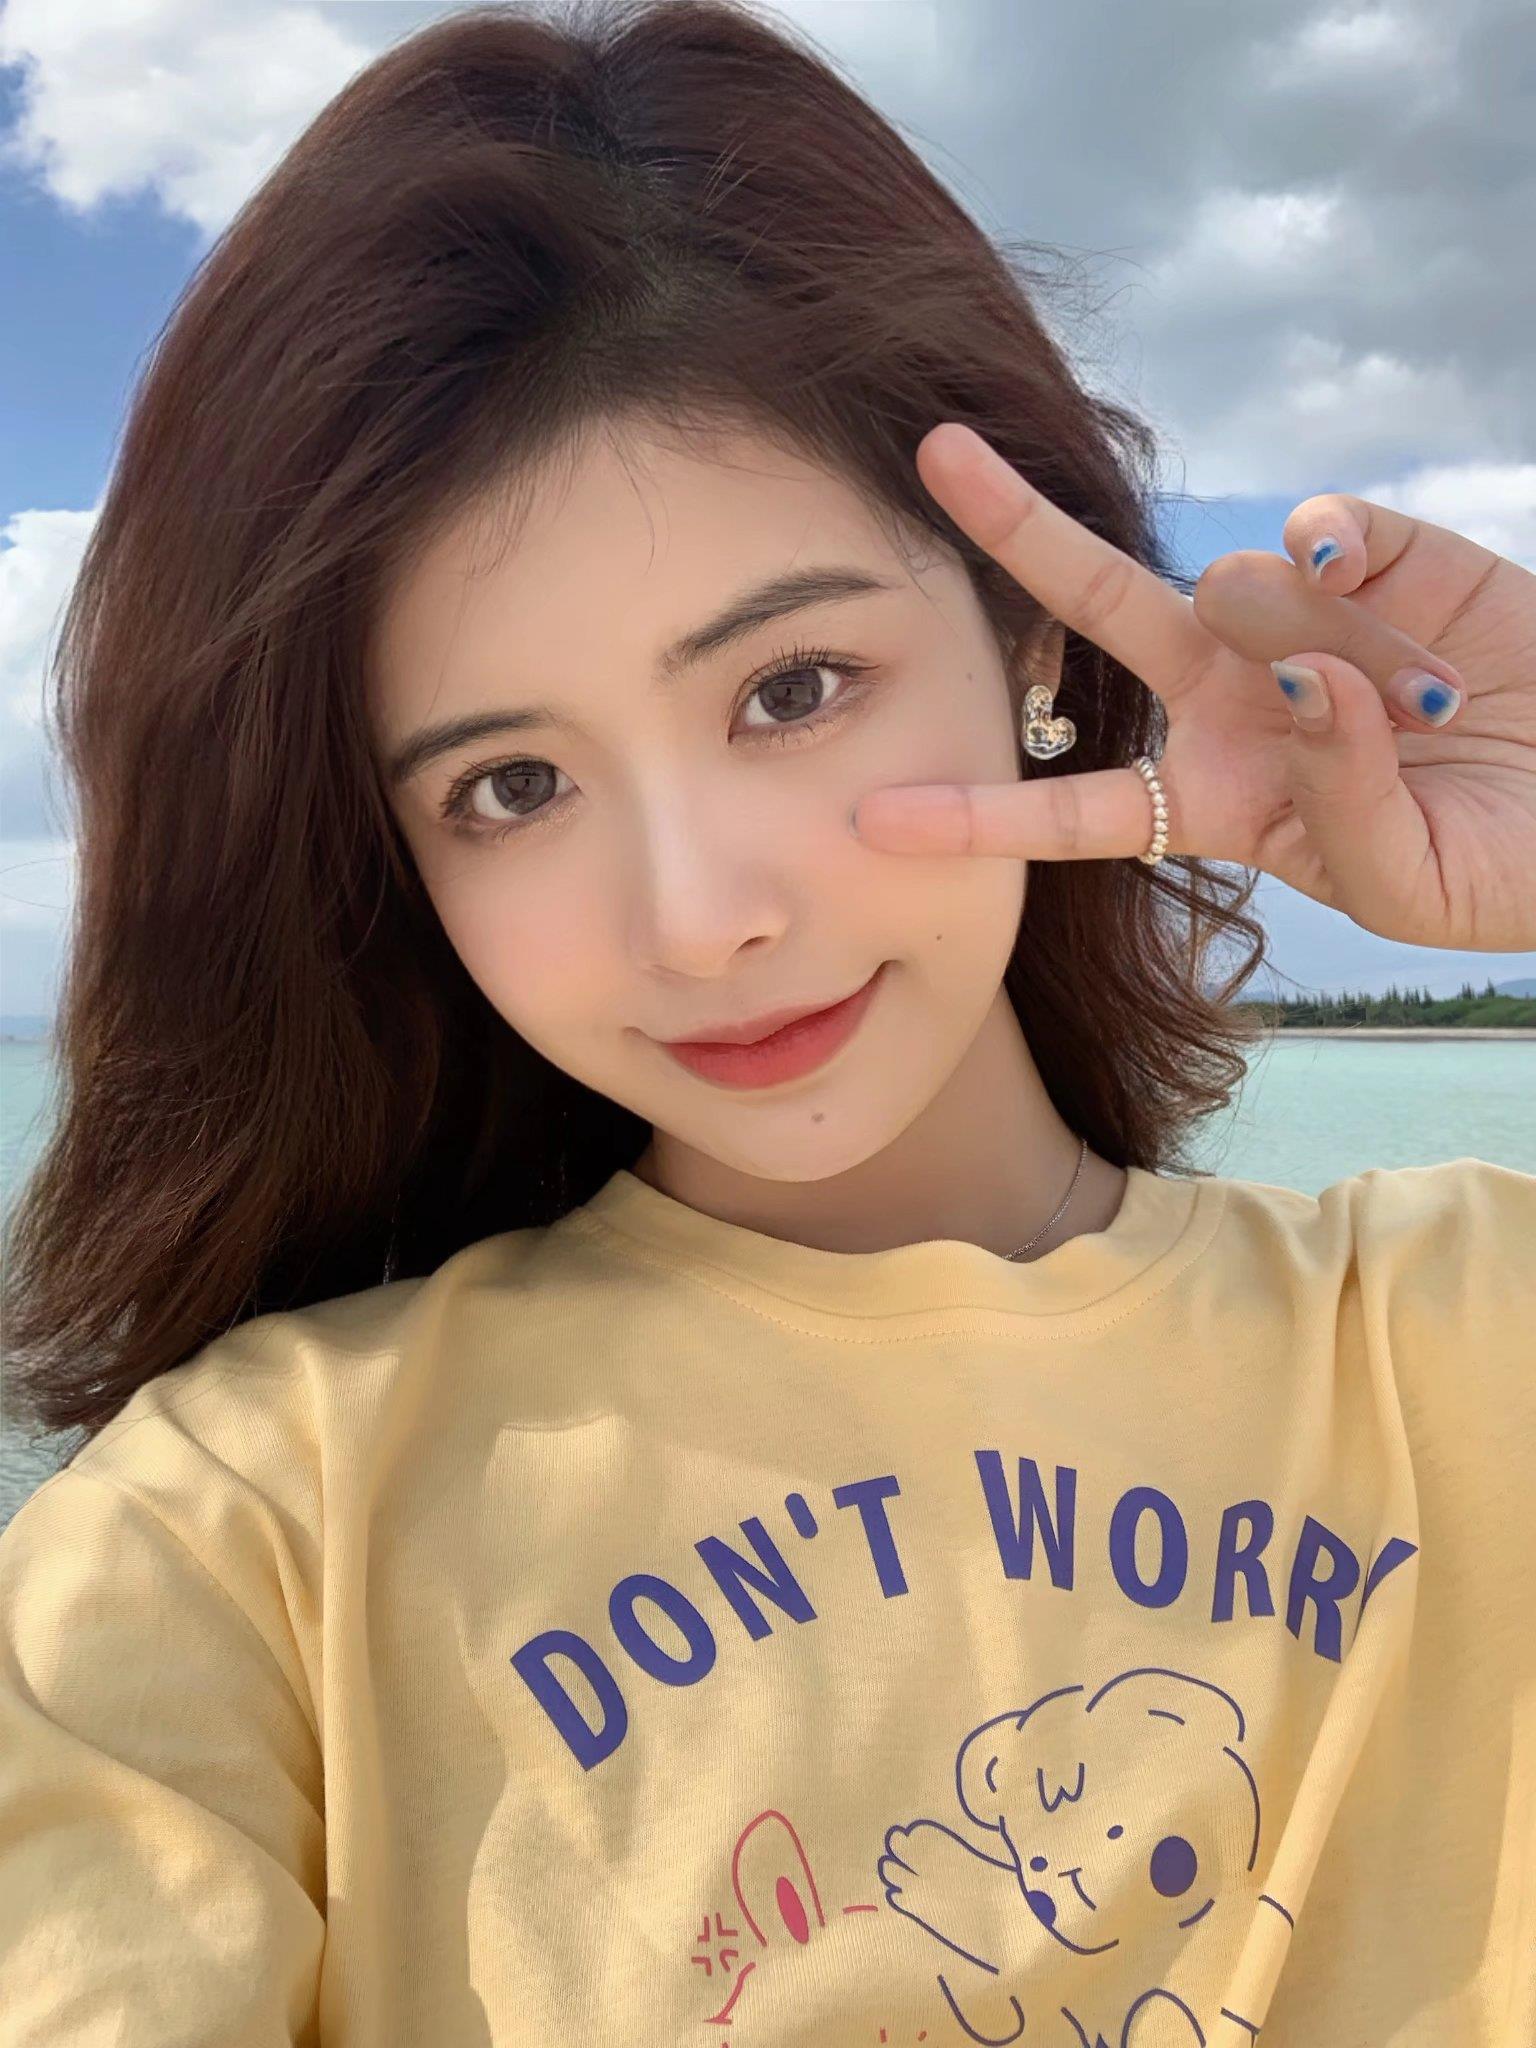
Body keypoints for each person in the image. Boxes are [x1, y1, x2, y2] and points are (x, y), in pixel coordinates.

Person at [1, 2, 1532, 2042]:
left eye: (790, 689)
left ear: (1030, 643)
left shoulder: (1465, 1341)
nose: (701, 919)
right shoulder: (239, 1539)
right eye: (510, 787)